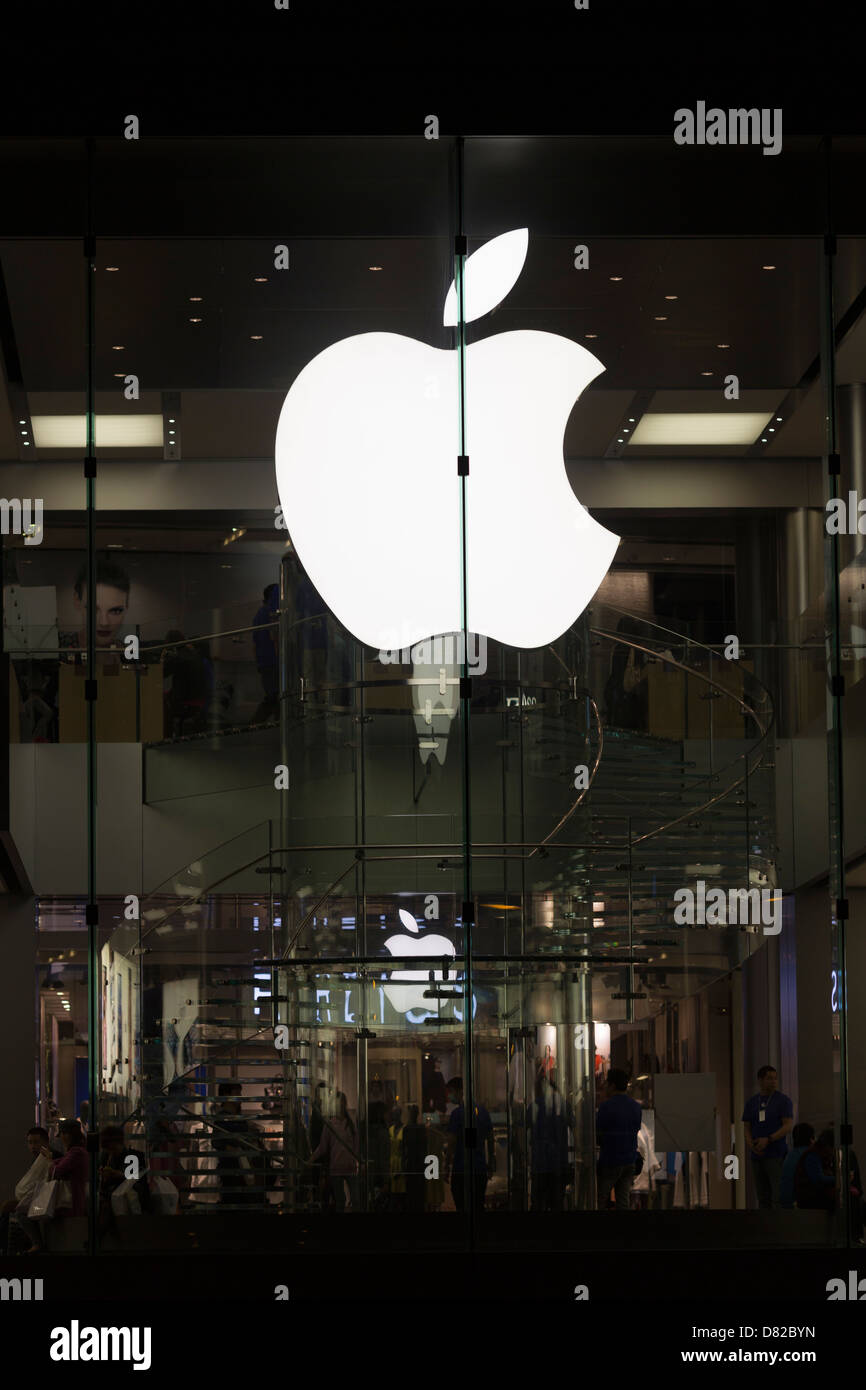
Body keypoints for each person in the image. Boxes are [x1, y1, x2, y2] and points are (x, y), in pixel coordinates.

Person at [742, 1065, 794, 1210]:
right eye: (769, 1078)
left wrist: (769, 1139)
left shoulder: (783, 1101)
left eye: (775, 1078)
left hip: (775, 1154)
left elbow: (788, 1126)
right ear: (760, 1080)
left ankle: (777, 1228)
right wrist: (751, 1144)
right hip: (756, 1155)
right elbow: (746, 1127)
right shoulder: (752, 1102)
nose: (773, 1081)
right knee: (762, 1196)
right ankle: (765, 1227)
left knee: (777, 1195)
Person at [445, 1077, 495, 1214]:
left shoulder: (457, 1115)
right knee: (478, 1206)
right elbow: (491, 1140)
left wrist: (446, 1166)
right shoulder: (483, 1112)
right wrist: (491, 1163)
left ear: (461, 1092)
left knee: (462, 1207)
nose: (450, 1096)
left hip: (461, 1169)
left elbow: (451, 1143)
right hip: (479, 1169)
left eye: (452, 1092)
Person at [596, 1068, 642, 1211]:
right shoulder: (635, 1107)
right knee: (623, 1202)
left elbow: (598, 1134)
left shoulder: (605, 1107)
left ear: (613, 1086)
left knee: (601, 1201)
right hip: (629, 1160)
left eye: (607, 1084)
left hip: (610, 1161)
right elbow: (636, 1129)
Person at [307, 1091, 361, 1211]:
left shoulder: (350, 1123)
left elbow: (356, 1145)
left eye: (342, 1102)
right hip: (336, 1168)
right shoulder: (330, 1124)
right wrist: (312, 1158)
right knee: (340, 1201)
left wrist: (359, 1161)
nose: (340, 1105)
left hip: (350, 1167)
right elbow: (323, 1146)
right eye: (338, 1102)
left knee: (356, 1199)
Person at [1, 1127, 52, 1255]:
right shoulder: (40, 1158)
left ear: (46, 1142)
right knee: (6, 1208)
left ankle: (32, 1244)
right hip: (34, 1197)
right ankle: (6, 1247)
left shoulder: (49, 1157)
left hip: (44, 1199)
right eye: (30, 1142)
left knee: (12, 1209)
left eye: (36, 1142)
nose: (32, 1146)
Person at [528, 1073, 573, 1212]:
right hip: (559, 1163)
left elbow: (524, 1129)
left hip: (540, 1163)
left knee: (538, 1202)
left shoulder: (535, 1105)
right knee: (557, 1202)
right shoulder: (564, 1104)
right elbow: (575, 1126)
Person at [252, 583, 279, 722]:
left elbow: (255, 641)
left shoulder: (260, 613)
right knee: (274, 697)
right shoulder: (272, 613)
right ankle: (254, 726)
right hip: (273, 660)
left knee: (274, 696)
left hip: (265, 662)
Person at [793, 1129, 837, 1211]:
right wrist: (838, 1179)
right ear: (827, 1145)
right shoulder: (813, 1155)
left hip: (811, 1195)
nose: (833, 1151)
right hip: (809, 1198)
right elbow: (818, 1179)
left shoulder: (818, 1154)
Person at [780, 1122, 814, 1210]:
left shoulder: (789, 1155)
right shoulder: (808, 1155)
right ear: (811, 1139)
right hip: (798, 1204)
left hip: (785, 1203)